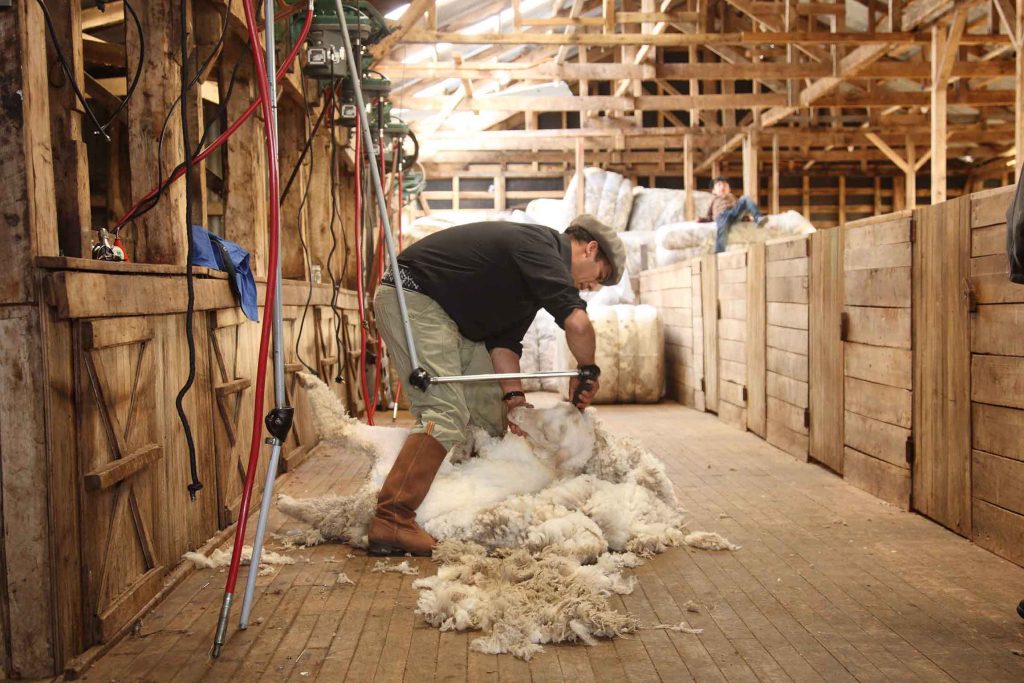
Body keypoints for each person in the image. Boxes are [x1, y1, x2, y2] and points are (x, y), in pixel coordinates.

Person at [368, 214, 626, 557]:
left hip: (448, 315)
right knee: (444, 411)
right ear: (590, 249)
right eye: (600, 277)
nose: (591, 287)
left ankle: (462, 504)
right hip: (413, 297)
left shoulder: (534, 271)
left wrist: (515, 403)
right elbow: (578, 324)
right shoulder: (540, 248)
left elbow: (503, 344)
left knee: (491, 411)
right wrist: (587, 369)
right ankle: (393, 518)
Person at [697, 176, 768, 253]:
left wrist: (746, 217)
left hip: (733, 213)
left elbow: (739, 209)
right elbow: (710, 215)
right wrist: (702, 219)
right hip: (722, 216)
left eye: (725, 185)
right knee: (722, 229)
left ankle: (758, 218)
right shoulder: (714, 200)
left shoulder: (732, 197)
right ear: (714, 191)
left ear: (729, 189)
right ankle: (719, 251)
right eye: (719, 185)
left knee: (745, 199)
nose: (722, 186)